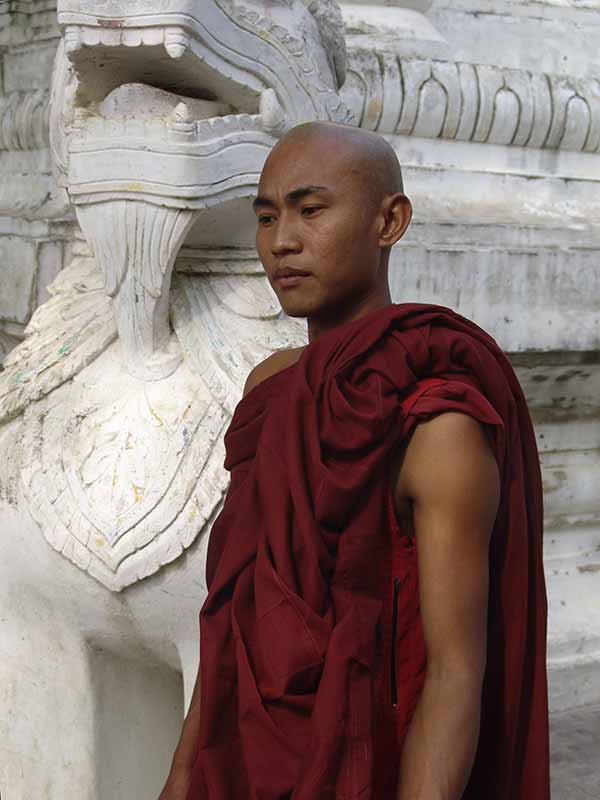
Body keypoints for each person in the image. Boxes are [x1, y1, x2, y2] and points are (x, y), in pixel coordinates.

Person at [160, 121, 549, 800]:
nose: (282, 241)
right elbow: (230, 626)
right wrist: (181, 779)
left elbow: (456, 674)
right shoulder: (271, 391)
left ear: (388, 221)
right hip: (247, 766)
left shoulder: (438, 423)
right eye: (265, 216)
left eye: (311, 211)